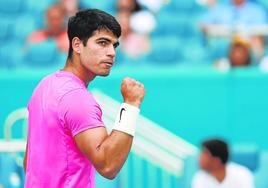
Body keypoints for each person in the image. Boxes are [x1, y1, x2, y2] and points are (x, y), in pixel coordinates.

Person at [23, 9, 145, 187]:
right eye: (102, 43)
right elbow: (108, 165)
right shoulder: (77, 98)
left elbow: (30, 163)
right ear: (77, 44)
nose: (111, 52)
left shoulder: (44, 86)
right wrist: (131, 105)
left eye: (114, 45)